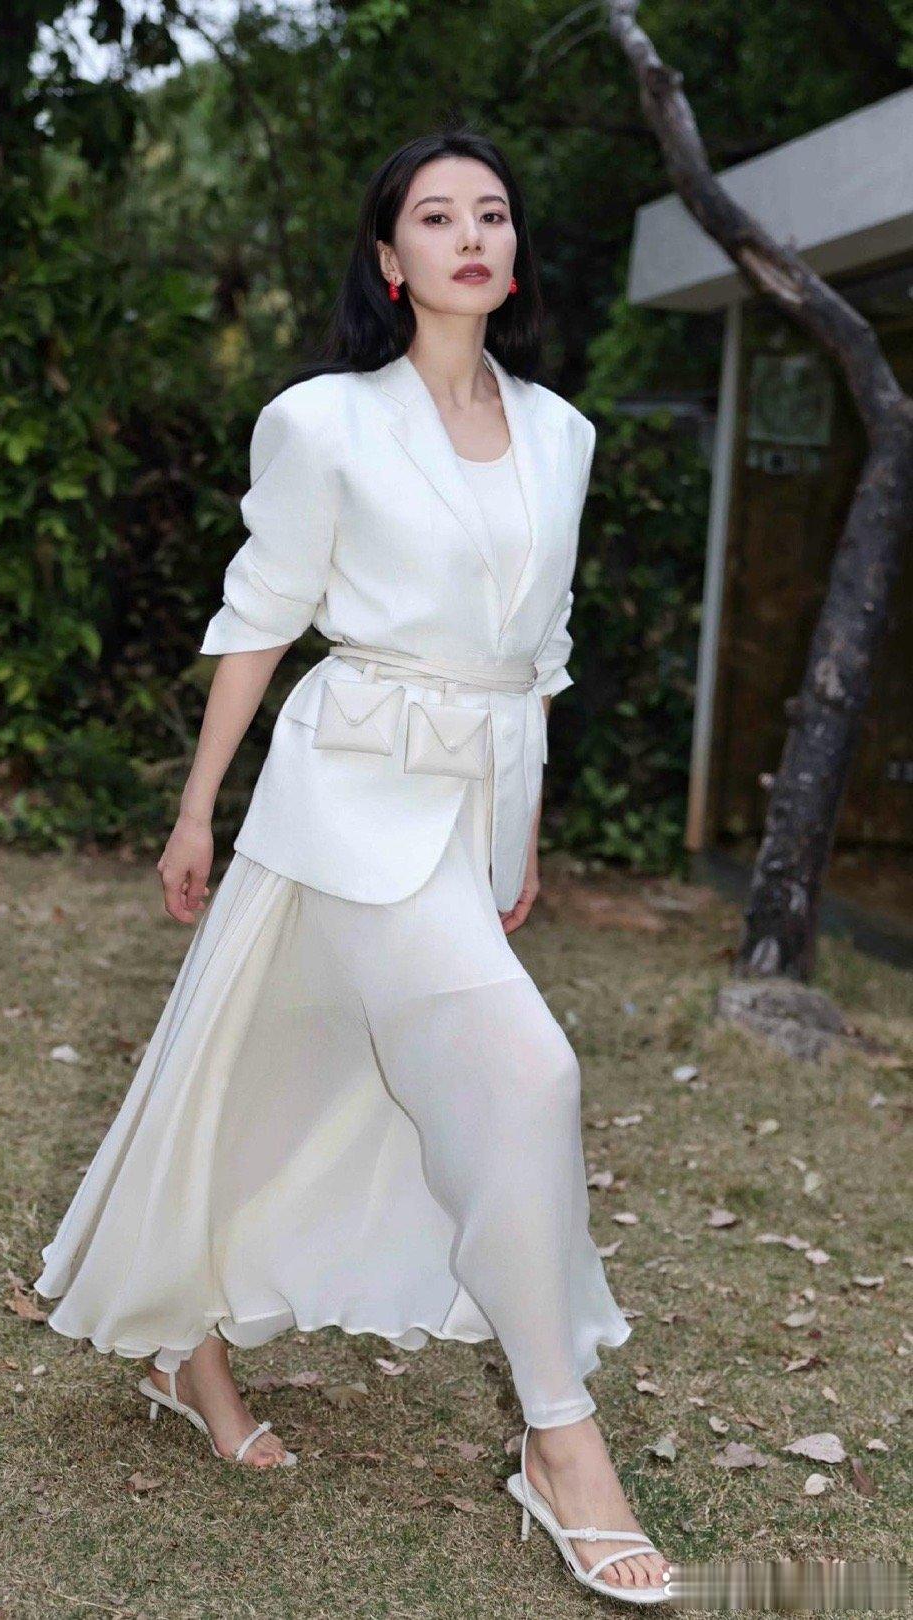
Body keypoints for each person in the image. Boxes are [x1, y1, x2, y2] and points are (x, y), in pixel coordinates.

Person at [35, 127, 671, 1601]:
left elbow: (541, 654)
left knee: (282, 1076)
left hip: (472, 814)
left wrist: (519, 831)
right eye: (436, 218)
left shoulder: (565, 434)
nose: (472, 237)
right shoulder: (322, 421)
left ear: (515, 252)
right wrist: (196, 809)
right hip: (346, 797)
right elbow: (261, 613)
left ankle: (182, 1346)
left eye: (493, 214)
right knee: (529, 1075)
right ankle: (563, 1441)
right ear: (390, 260)